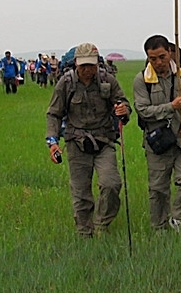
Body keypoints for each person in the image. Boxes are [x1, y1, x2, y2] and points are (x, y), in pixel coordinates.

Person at [45, 43, 131, 237]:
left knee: (111, 183)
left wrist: (123, 110)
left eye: (91, 65)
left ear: (97, 63)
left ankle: (101, 224)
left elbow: (123, 104)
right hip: (76, 142)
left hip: (104, 141)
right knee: (80, 192)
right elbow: (53, 114)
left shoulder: (107, 80)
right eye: (83, 65)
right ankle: (84, 232)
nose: (87, 70)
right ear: (75, 64)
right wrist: (52, 143)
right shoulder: (66, 83)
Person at [133, 34, 181, 232]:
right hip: (158, 142)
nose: (158, 62)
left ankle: (178, 217)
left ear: (170, 53)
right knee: (158, 189)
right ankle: (159, 229)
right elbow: (143, 110)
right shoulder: (142, 80)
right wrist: (171, 107)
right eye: (152, 58)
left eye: (162, 57)